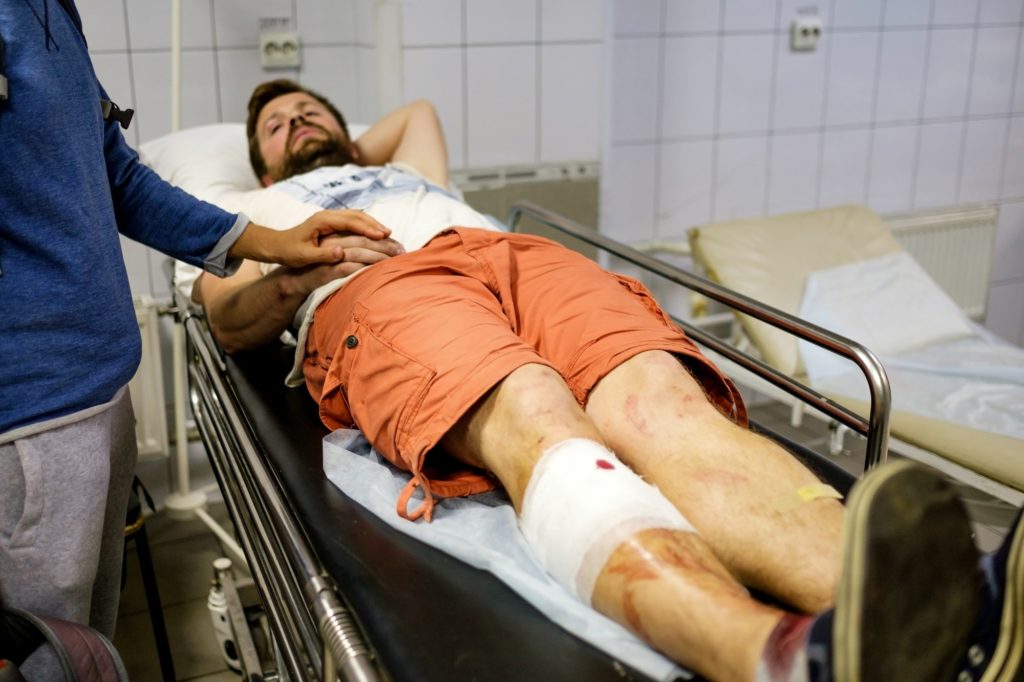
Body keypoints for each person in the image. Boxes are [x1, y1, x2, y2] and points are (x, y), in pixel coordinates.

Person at [193, 79, 1022, 682]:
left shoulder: (411, 168)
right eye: (276, 126)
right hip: (376, 284)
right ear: (258, 166)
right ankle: (775, 659)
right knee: (534, 411)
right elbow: (225, 316)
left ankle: (944, 622)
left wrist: (335, 143)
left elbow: (416, 113)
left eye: (311, 111)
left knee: (663, 408)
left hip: (511, 256)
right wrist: (298, 258)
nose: (297, 123)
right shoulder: (257, 214)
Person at [0, 6, 388, 678]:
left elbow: (115, 177)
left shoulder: (50, 12)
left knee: (82, 649)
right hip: (25, 415)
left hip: (98, 389)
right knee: (41, 658)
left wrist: (273, 242)